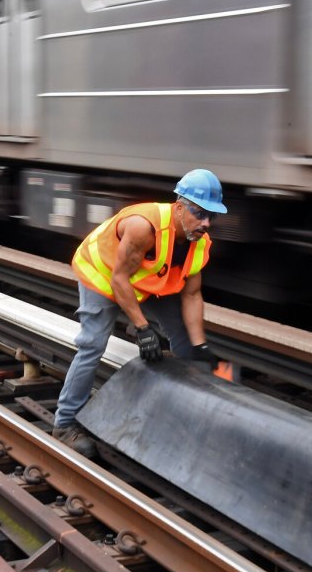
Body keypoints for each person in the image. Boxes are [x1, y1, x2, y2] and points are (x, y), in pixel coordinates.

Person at [53, 169, 228, 457]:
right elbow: (119, 279)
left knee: (186, 341)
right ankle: (65, 424)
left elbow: (193, 294)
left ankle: (187, 415)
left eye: (212, 216)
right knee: (92, 345)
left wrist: (200, 345)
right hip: (104, 275)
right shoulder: (142, 227)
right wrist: (143, 327)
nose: (206, 223)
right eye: (200, 213)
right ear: (180, 207)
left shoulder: (200, 242)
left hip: (145, 281)